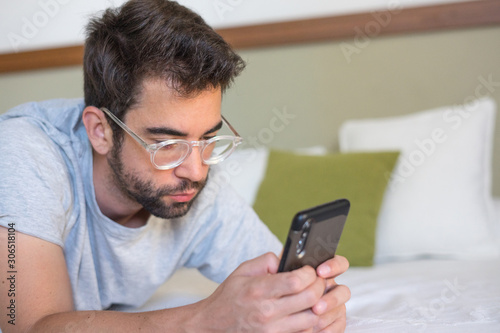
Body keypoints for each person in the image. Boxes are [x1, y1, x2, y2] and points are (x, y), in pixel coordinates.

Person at [0, 0, 350, 331]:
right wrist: (204, 321)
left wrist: (310, 304)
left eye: (208, 139)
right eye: (168, 145)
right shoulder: (23, 152)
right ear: (100, 131)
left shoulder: (193, 186)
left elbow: (277, 286)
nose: (196, 172)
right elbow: (31, 326)